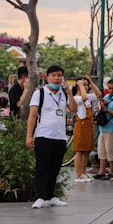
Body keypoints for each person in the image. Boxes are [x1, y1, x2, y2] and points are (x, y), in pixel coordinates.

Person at [26, 65, 71, 208]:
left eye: (59, 75)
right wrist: (29, 136)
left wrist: (69, 93)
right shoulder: (40, 93)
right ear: (48, 77)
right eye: (54, 75)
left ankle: (50, 196)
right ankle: (40, 197)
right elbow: (32, 116)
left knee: (55, 168)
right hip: (44, 135)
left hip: (60, 137)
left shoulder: (64, 94)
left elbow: (74, 109)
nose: (57, 78)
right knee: (42, 168)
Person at [71, 77, 98, 182]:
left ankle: (83, 172)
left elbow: (98, 94)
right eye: (84, 85)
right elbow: (84, 98)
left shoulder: (88, 97)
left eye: (87, 85)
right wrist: (81, 85)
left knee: (86, 151)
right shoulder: (76, 98)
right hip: (81, 126)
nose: (86, 87)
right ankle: (78, 174)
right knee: (79, 151)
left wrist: (91, 82)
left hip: (88, 126)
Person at [95, 79, 113, 181]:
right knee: (101, 151)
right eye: (109, 88)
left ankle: (111, 172)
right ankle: (101, 171)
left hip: (112, 127)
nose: (111, 90)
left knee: (110, 151)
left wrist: (107, 110)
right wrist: (101, 106)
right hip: (103, 127)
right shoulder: (106, 97)